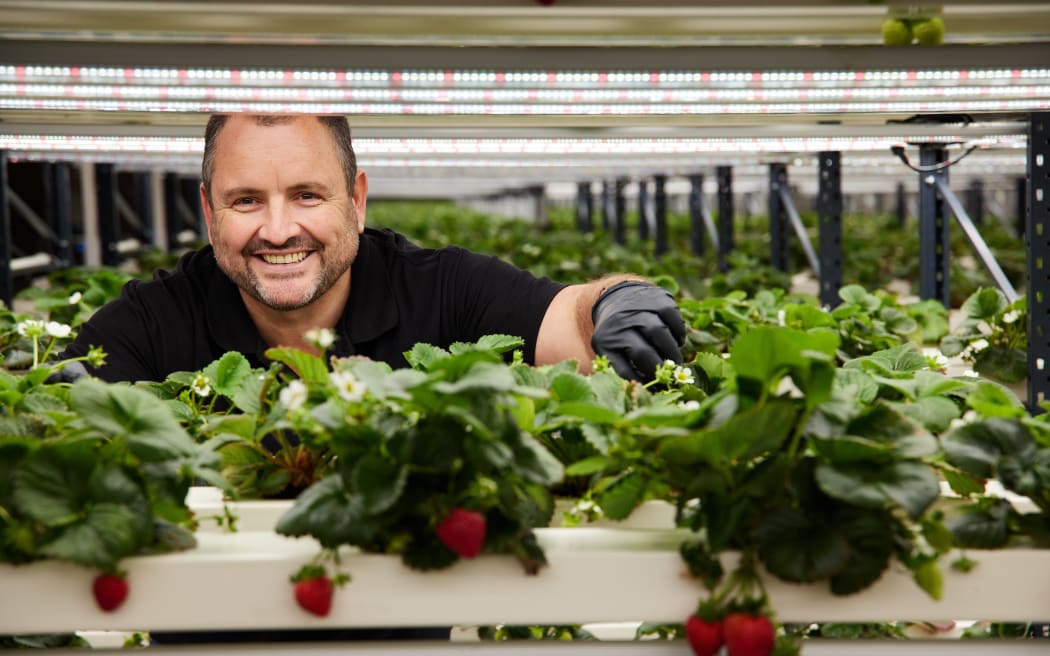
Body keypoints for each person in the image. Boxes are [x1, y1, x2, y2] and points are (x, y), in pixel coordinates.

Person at [64, 113, 686, 385]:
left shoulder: (442, 289)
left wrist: (618, 301)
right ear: (207, 211)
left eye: (307, 195)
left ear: (356, 201)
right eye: (246, 200)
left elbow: (570, 317)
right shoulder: (145, 327)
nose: (279, 231)